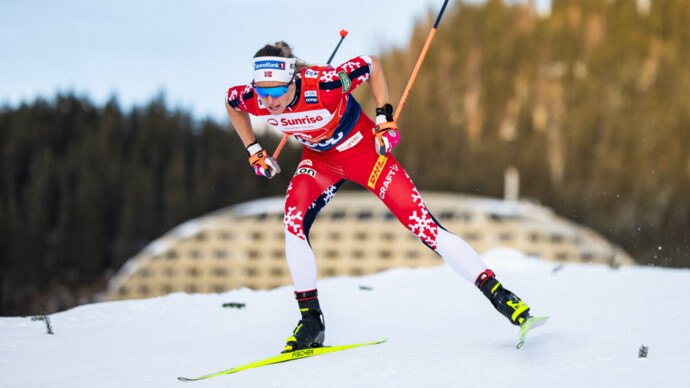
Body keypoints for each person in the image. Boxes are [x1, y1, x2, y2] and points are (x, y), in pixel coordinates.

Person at [226, 41, 535, 353]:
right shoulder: (253, 98)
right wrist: (253, 150)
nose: (269, 101)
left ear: (292, 79)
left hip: (364, 155)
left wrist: (383, 118)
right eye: (263, 92)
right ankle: (311, 321)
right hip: (321, 163)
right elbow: (231, 103)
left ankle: (500, 296)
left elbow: (371, 64)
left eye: (277, 91)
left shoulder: (326, 84)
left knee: (423, 225)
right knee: (292, 221)